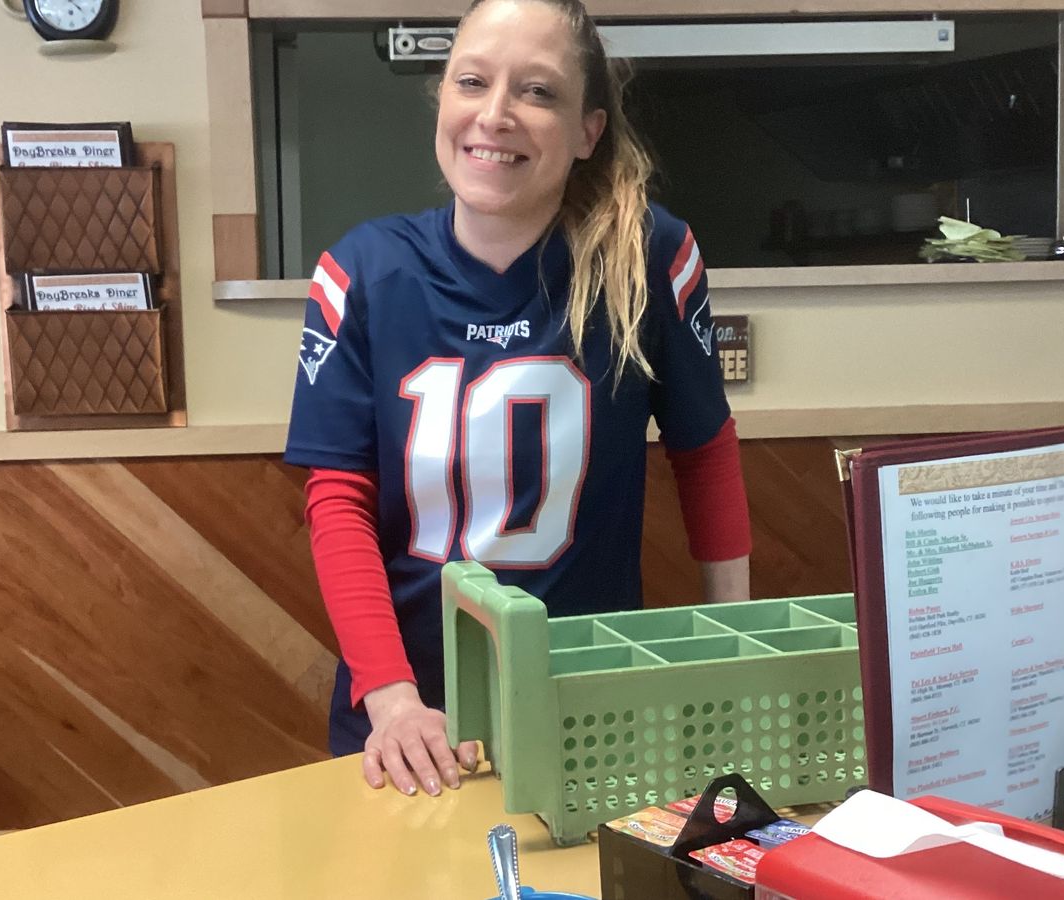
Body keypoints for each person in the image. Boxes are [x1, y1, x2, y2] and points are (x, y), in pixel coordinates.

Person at [285, 0, 751, 799]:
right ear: (441, 97)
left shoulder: (650, 257)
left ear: (588, 131)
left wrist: (733, 652)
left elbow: (704, 454)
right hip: (413, 719)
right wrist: (393, 700)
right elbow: (338, 499)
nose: (495, 114)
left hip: (588, 712)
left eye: (537, 92)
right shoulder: (361, 273)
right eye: (472, 81)